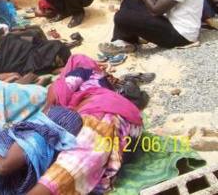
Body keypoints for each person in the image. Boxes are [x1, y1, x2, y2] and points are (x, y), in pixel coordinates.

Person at [28, 55, 143, 195]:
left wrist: (56, 87)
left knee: (69, 166)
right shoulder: (103, 83)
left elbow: (53, 103)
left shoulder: (81, 72)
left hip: (103, 114)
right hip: (132, 126)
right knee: (92, 155)